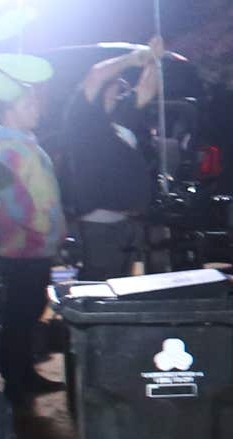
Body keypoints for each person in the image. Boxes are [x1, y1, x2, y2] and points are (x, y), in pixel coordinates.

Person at [0, 82, 67, 395]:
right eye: (29, 103)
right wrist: (43, 226)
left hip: (34, 245)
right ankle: (18, 381)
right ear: (9, 107)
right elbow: (15, 198)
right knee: (21, 313)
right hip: (22, 246)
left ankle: (22, 374)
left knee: (28, 311)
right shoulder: (7, 147)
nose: (37, 109)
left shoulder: (25, 144)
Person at [59, 40, 162, 281]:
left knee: (120, 284)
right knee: (99, 284)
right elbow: (95, 74)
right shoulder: (82, 119)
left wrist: (155, 61)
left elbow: (146, 91)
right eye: (116, 84)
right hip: (99, 224)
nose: (121, 88)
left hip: (125, 222)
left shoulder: (119, 120)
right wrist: (133, 58)